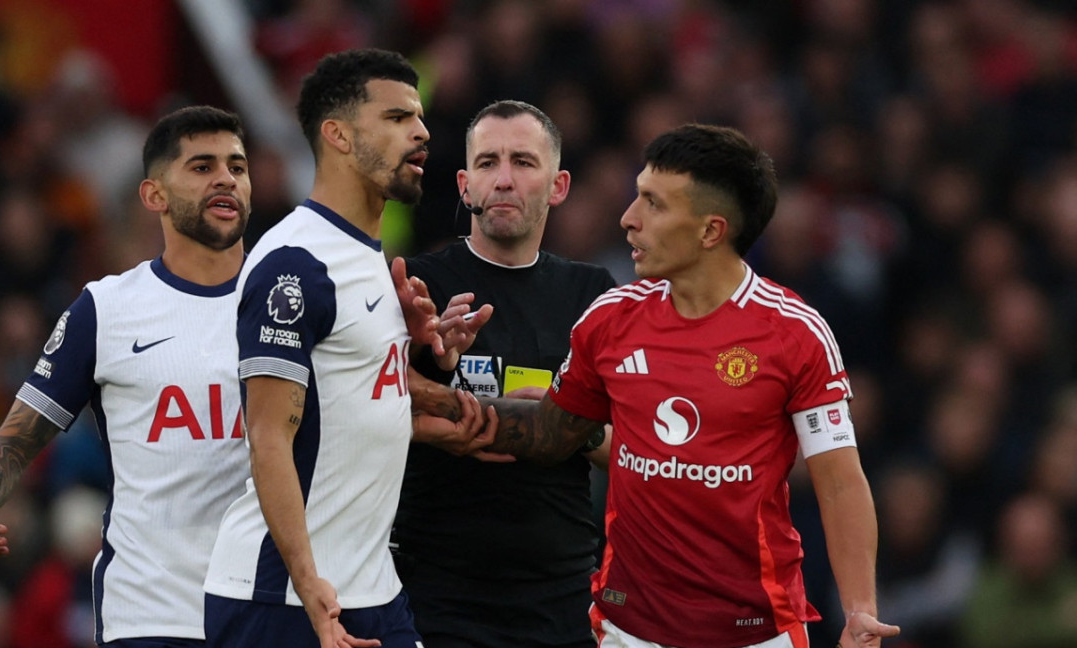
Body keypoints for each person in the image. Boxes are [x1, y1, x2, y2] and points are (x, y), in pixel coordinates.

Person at [465, 124, 901, 648]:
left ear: (710, 231)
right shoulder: (609, 319)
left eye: (653, 202)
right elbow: (555, 436)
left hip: (755, 634)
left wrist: (859, 611)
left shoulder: (795, 333)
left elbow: (839, 482)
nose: (628, 217)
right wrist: (419, 395)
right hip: (626, 629)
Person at [201, 48, 488, 648]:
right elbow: (270, 434)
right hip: (284, 600)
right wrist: (309, 589)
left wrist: (429, 364)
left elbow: (345, 399)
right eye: (396, 118)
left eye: (420, 117)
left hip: (373, 590)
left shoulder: (369, 260)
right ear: (336, 135)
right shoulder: (295, 264)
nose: (422, 132)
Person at [0, 105, 255, 647]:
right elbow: (16, 438)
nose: (225, 179)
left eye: (237, 165)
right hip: (151, 618)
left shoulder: (294, 300)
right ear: (154, 195)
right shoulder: (107, 309)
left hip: (270, 612)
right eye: (202, 166)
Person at [393, 99, 616, 648]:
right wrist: (427, 360)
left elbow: (630, 447)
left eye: (523, 161)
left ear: (558, 185)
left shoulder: (594, 295)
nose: (505, 179)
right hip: (437, 592)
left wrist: (568, 420)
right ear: (466, 185)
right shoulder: (417, 284)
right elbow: (361, 413)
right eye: (488, 163)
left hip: (561, 593)